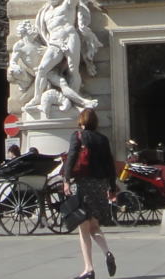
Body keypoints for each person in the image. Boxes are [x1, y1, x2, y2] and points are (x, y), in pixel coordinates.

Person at [63, 108, 117, 279]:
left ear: (82, 121)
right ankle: (107, 252)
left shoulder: (78, 136)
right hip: (100, 184)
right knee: (94, 225)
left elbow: (71, 157)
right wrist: (112, 186)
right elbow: (110, 163)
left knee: (83, 228)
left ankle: (88, 269)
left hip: (84, 184)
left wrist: (66, 179)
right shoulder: (103, 139)